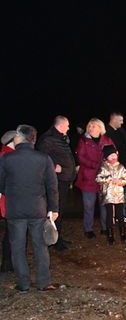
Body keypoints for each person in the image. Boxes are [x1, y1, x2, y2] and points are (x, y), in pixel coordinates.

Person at [0, 124, 59, 292]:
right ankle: (44, 282)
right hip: (37, 209)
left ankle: (24, 284)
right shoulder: (44, 158)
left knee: (17, 247)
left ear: (19, 138)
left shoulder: (6, 159)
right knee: (40, 246)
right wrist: (54, 208)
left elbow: (1, 185)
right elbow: (52, 186)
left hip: (15, 210)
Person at [37, 115, 77, 251]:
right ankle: (53, 240)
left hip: (64, 180)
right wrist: (54, 167)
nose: (69, 128)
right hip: (56, 181)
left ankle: (57, 236)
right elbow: (42, 157)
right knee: (55, 209)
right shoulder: (48, 139)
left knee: (60, 209)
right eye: (67, 125)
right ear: (60, 126)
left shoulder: (61, 138)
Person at [75, 118, 115, 238]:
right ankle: (88, 229)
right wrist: (95, 165)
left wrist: (106, 166)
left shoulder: (107, 140)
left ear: (100, 127)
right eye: (90, 126)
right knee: (89, 205)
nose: (91, 128)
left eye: (94, 126)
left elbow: (114, 155)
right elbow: (81, 157)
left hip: (104, 177)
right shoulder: (83, 140)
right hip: (88, 177)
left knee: (104, 204)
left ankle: (105, 227)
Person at [96, 145, 126, 245]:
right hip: (108, 196)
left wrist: (120, 181)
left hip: (119, 196)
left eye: (114, 155)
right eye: (110, 156)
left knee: (120, 215)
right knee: (109, 215)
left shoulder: (121, 167)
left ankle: (123, 234)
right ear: (106, 157)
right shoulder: (103, 167)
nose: (113, 157)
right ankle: (110, 235)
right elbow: (98, 179)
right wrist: (109, 179)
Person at [105, 112, 126, 222]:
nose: (122, 122)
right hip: (111, 168)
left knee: (124, 191)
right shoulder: (105, 132)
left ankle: (122, 215)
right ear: (114, 120)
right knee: (112, 192)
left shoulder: (121, 131)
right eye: (120, 120)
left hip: (123, 166)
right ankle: (112, 217)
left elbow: (125, 148)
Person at [0, 130, 16, 272]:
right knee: (11, 232)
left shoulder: (5, 153)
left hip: (8, 199)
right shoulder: (7, 155)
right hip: (9, 200)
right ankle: (6, 262)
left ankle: (8, 262)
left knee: (10, 231)